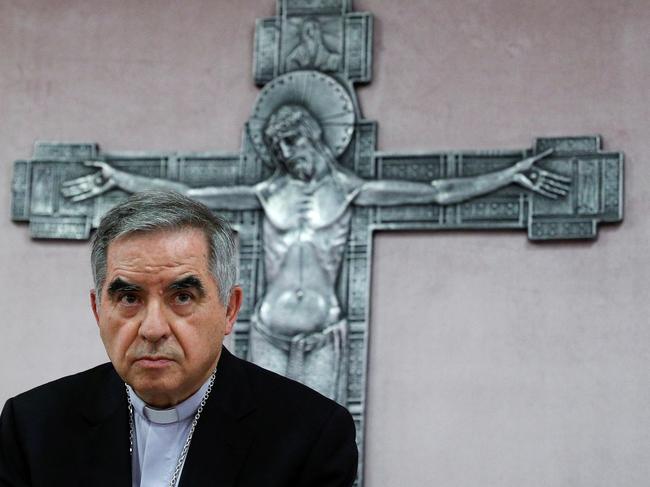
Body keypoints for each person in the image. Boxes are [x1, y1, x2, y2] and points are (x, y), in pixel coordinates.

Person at [60, 104, 569, 402]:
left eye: (294, 146)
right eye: (280, 149)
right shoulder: (267, 193)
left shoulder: (348, 190)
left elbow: (435, 192)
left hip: (324, 330)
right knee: (252, 434)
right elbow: (189, 196)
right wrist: (121, 179)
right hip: (267, 329)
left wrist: (509, 175)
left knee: (317, 430)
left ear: (314, 139)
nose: (288, 156)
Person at [0, 190, 358, 486]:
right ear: (98, 310)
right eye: (129, 298)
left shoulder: (310, 435)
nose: (153, 328)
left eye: (182, 297)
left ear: (229, 309)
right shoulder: (32, 425)